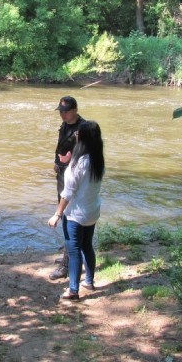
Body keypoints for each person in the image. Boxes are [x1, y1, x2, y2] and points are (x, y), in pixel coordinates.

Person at [47, 120, 104, 301]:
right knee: (87, 246)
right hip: (92, 211)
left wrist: (57, 214)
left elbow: (68, 192)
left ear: (84, 137)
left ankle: (73, 290)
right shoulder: (97, 159)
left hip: (76, 214)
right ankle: (89, 281)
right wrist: (68, 161)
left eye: (79, 133)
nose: (76, 135)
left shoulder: (78, 164)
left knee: (74, 251)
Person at [49, 96, 85, 280]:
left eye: (65, 111)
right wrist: (57, 161)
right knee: (63, 216)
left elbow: (87, 156)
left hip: (74, 179)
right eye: (60, 111)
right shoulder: (65, 125)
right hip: (63, 174)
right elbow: (61, 144)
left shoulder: (84, 129)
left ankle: (67, 264)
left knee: (70, 219)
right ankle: (67, 253)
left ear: (74, 110)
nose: (62, 114)